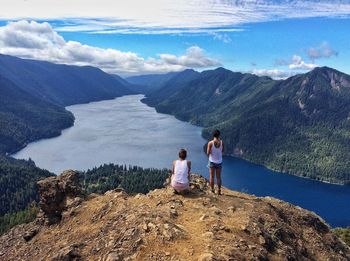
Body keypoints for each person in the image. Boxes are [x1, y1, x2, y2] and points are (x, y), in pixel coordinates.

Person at [207, 129, 224, 195]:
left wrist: (212, 152)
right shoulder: (222, 142)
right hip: (219, 162)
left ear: (213, 135)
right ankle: (219, 191)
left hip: (212, 161)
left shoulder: (210, 143)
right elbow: (222, 151)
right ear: (219, 135)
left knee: (212, 176)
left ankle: (212, 190)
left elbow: (208, 152)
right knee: (219, 177)